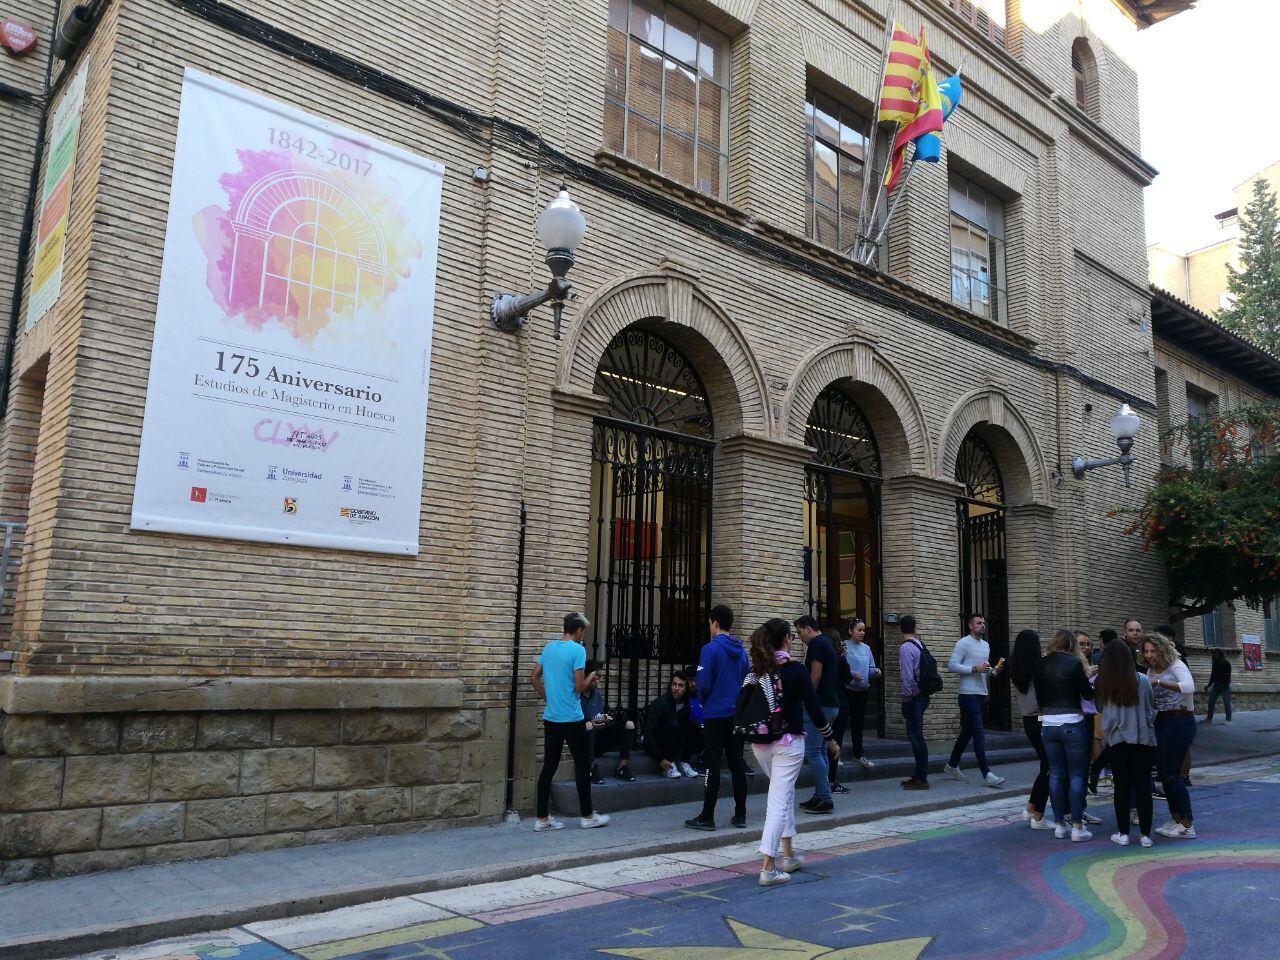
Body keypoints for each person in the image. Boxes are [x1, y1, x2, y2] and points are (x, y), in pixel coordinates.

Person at [745, 618, 838, 887]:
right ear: (786, 639)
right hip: (788, 744)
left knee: (782, 795)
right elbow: (814, 708)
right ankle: (768, 867)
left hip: (760, 743)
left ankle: (788, 855)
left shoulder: (758, 669)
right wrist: (830, 738)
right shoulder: (796, 670)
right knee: (778, 800)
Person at [530, 613, 610, 831]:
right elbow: (579, 687)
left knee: (549, 767)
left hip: (551, 718)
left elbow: (533, 677)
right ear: (578, 631)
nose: (583, 635)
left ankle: (541, 819)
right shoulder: (578, 650)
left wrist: (548, 696)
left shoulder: (549, 648)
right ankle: (587, 816)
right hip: (573, 719)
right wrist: (591, 676)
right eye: (583, 631)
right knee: (583, 766)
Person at [686, 604, 749, 832]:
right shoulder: (741, 651)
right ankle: (740, 813)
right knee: (737, 764)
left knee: (712, 765)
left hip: (714, 713)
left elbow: (702, 683)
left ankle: (707, 815)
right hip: (736, 714)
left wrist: (704, 700)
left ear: (714, 622)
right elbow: (745, 678)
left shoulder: (710, 649)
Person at [1034, 629, 1095, 841]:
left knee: (1056, 773)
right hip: (1072, 721)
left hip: (1048, 723)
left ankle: (1060, 824)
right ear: (1072, 645)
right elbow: (1087, 694)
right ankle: (1077, 826)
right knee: (1077, 774)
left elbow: (1039, 697)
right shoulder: (1074, 664)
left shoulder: (1041, 664)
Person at [1095, 638, 1157, 847]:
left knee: (1121, 786)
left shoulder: (1104, 683)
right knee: (1143, 787)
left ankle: (1123, 833)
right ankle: (1146, 835)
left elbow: (1103, 710)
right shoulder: (1143, 680)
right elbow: (1150, 708)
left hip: (1117, 740)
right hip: (1142, 739)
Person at [1144, 632, 1197, 839]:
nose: (1150, 655)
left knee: (1172, 773)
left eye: (1153, 651)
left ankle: (1187, 823)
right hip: (1162, 720)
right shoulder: (1150, 670)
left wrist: (1160, 683)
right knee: (1165, 773)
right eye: (1146, 651)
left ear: (1162, 649)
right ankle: (1176, 819)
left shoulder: (1176, 665)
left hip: (1180, 720)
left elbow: (1189, 687)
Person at [944, 613, 1006, 787]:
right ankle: (987, 774)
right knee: (979, 733)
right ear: (970, 625)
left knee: (967, 734)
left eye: (984, 623)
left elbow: (983, 668)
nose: (983, 625)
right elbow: (952, 665)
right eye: (979, 623)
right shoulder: (963, 643)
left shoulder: (985, 645)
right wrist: (974, 669)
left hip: (981, 694)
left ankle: (951, 765)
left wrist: (992, 671)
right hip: (967, 694)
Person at [796, 615, 841, 814]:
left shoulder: (816, 644)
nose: (798, 637)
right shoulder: (827, 644)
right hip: (830, 704)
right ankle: (820, 794)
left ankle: (825, 797)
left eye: (799, 632)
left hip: (820, 705)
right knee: (821, 751)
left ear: (808, 628)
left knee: (813, 752)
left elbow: (816, 674)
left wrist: (808, 699)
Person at [1009, 629, 1053, 830]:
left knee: (1047, 765)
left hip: (1028, 720)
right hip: (1042, 719)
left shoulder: (1016, 667)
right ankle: (1037, 814)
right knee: (1050, 767)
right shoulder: (1039, 668)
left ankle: (1031, 807)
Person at [580, 660, 635, 784]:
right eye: (595, 677)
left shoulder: (597, 694)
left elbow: (598, 715)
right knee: (587, 726)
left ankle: (622, 767)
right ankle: (590, 768)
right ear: (586, 677)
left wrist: (604, 720)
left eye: (599, 677)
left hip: (598, 739)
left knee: (628, 725)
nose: (598, 681)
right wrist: (592, 723)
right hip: (583, 741)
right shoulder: (576, 695)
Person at [645, 671, 701, 779]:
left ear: (685, 689)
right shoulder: (661, 703)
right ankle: (668, 766)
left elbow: (684, 727)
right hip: (655, 743)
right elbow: (648, 733)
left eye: (680, 686)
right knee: (672, 725)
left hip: (673, 740)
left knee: (694, 726)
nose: (676, 688)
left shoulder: (686, 704)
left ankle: (684, 762)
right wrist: (659, 758)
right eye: (674, 684)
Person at [842, 617, 880, 771]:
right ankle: (834, 755)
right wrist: (852, 674)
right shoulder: (844, 646)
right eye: (859, 630)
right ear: (851, 631)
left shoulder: (866, 648)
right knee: (841, 723)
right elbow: (841, 664)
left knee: (858, 725)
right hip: (846, 690)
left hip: (862, 691)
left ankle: (859, 754)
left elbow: (871, 667)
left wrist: (875, 672)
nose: (862, 632)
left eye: (864, 630)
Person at [898, 616, 931, 790]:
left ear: (900, 629)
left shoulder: (905, 648)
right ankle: (919, 774)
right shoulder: (920, 644)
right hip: (923, 695)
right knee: (917, 736)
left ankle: (922, 778)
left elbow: (908, 677)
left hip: (913, 698)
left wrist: (905, 698)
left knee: (916, 737)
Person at [1088, 628, 1120, 793]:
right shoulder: (1123, 655)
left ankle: (1099, 772)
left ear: (1101, 640)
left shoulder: (1099, 657)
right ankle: (1101, 772)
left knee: (1099, 738)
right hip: (1116, 707)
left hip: (1102, 705)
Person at [827, 629, 853, 795]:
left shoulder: (822, 660)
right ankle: (832, 780)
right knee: (836, 743)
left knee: (825, 743)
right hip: (840, 702)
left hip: (825, 702)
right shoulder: (840, 659)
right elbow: (848, 678)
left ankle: (825, 781)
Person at [1205, 649, 1233, 723]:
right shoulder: (1215, 664)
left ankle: (1228, 719)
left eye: (1215, 654)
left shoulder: (1226, 663)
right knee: (1211, 701)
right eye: (1213, 654)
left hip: (1225, 686)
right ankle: (1209, 718)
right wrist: (1209, 685)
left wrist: (1226, 685)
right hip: (1217, 685)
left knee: (1227, 703)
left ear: (1220, 654)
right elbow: (1213, 676)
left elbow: (1228, 676)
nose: (1213, 655)